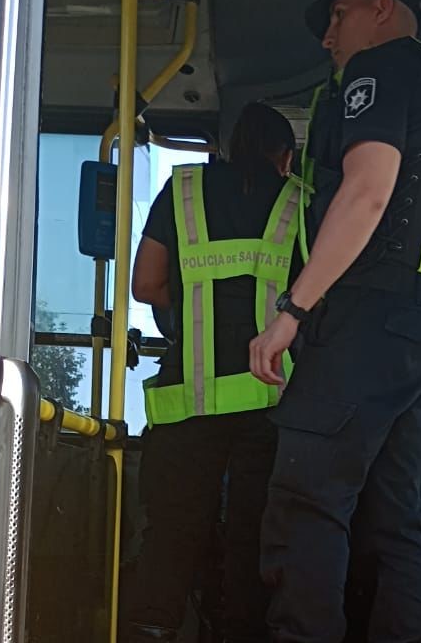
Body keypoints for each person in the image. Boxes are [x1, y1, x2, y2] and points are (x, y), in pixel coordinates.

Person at [249, 0, 421, 641]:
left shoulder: (379, 69)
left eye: (337, 15)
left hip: (364, 323)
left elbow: (367, 190)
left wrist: (291, 312)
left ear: (380, 7)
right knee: (394, 522)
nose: (328, 38)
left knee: (305, 505)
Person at [126, 102, 302, 643]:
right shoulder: (300, 203)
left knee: (173, 531)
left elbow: (146, 285)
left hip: (188, 401)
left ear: (224, 151)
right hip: (271, 405)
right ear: (286, 157)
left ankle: (152, 627)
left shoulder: (181, 194)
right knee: (254, 535)